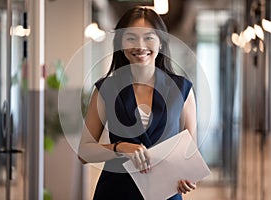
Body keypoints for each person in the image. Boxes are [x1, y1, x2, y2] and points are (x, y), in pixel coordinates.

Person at [78, 6, 197, 200]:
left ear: (160, 43)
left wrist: (188, 177)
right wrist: (120, 148)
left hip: (165, 193)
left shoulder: (182, 89)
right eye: (131, 38)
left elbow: (190, 153)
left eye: (149, 37)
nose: (140, 45)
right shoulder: (106, 89)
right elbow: (84, 152)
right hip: (116, 192)